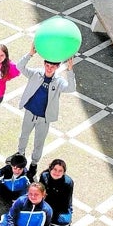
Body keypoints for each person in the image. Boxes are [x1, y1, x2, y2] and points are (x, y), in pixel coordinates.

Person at [16, 44, 76, 179]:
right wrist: (30, 54)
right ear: (44, 64)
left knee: (39, 142)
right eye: (47, 65)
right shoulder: (36, 73)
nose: (49, 68)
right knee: (23, 136)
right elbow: (20, 67)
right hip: (30, 112)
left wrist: (70, 70)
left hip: (44, 118)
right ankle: (20, 157)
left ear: (57, 67)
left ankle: (34, 164)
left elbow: (71, 88)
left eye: (53, 66)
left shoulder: (59, 82)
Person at [39, 159, 74, 226]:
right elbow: (39, 193)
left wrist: (48, 211)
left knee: (64, 221)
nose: (57, 173)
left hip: (60, 208)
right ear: (50, 168)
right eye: (55, 169)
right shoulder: (44, 176)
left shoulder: (68, 182)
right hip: (45, 203)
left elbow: (65, 204)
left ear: (64, 172)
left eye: (60, 171)